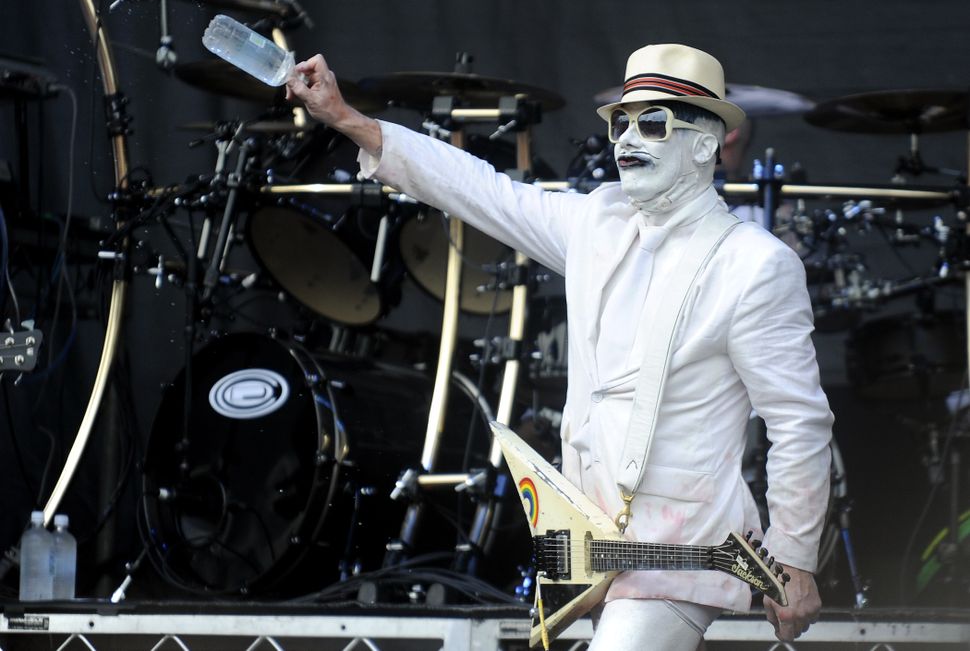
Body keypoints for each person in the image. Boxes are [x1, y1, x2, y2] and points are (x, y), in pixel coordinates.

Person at [286, 43, 833, 650]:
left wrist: (793, 556)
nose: (628, 140)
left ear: (706, 145)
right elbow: (482, 191)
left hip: (683, 552)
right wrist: (348, 119)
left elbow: (798, 421)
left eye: (653, 124)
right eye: (621, 123)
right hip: (590, 548)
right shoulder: (599, 222)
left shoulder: (755, 264)